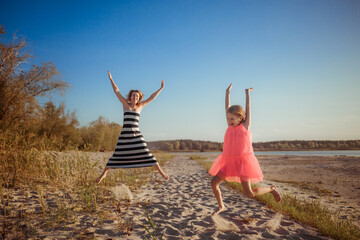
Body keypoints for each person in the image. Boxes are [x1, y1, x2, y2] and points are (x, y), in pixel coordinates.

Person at [209, 84, 281, 216]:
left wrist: (247, 93)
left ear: (240, 118)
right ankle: (221, 206)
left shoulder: (246, 127)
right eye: (227, 118)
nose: (229, 120)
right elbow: (227, 107)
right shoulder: (230, 126)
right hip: (228, 162)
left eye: (232, 118)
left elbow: (248, 108)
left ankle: (271, 189)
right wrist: (227, 92)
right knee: (213, 183)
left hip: (243, 163)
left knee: (249, 193)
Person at [96, 71, 169, 184]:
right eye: (133, 95)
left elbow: (152, 97)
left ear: (139, 98)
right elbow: (117, 91)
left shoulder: (141, 106)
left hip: (136, 135)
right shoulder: (125, 104)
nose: (135, 97)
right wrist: (111, 79)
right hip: (125, 135)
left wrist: (161, 88)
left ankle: (162, 173)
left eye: (137, 96)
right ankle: (102, 175)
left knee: (147, 153)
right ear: (130, 96)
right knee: (116, 155)